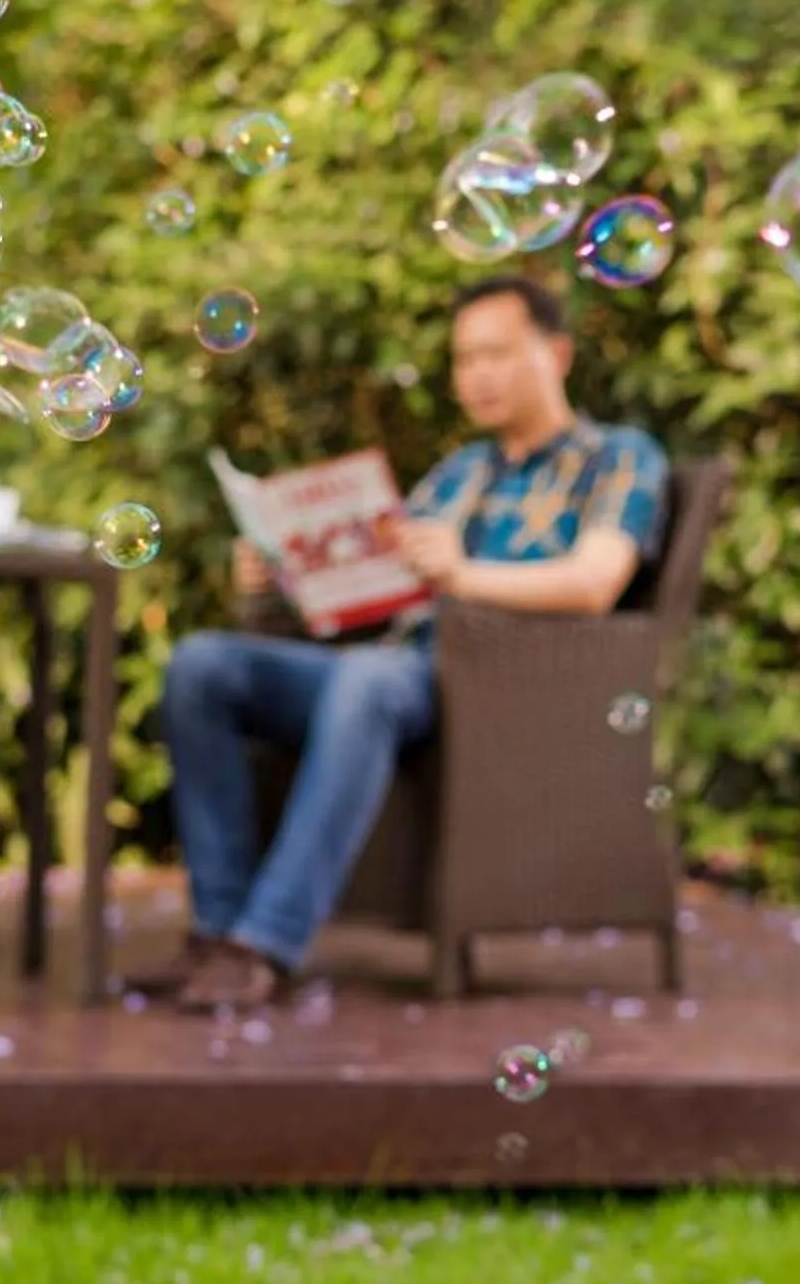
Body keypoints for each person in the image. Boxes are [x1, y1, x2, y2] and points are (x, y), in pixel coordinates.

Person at [146, 272, 671, 1009]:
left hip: (507, 683)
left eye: (494, 354)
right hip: (398, 670)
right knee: (203, 666)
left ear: (556, 354)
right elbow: (374, 591)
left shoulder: (619, 457)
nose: (476, 376)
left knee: (366, 679)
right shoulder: (463, 471)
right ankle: (217, 932)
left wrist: (462, 573)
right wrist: (281, 574)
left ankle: (265, 944)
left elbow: (594, 583)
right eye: (463, 360)